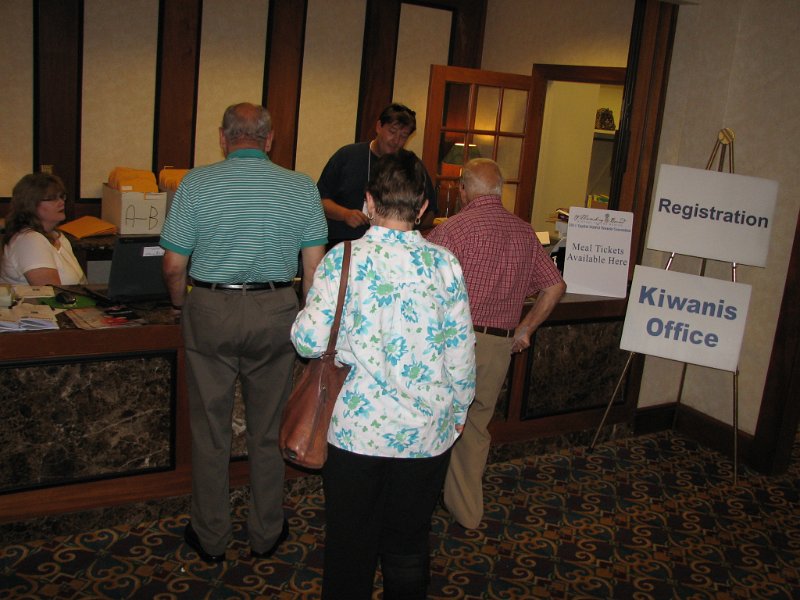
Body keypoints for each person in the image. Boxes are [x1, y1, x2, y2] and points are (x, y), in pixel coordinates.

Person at [291, 150, 475, 599]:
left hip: (358, 432)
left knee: (349, 545)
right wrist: (458, 413)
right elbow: (461, 354)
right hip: (426, 432)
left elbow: (308, 342)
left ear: (369, 201)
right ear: (424, 207)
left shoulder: (343, 259)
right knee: (408, 543)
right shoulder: (444, 264)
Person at [160, 102, 327, 563]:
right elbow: (313, 270)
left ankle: (211, 536)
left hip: (211, 307)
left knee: (210, 429)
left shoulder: (194, 183)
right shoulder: (301, 187)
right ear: (269, 139)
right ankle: (266, 532)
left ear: (222, 137)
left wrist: (181, 305)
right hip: (276, 309)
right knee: (268, 428)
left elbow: (174, 265)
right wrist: (307, 325)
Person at [427, 158, 566, 530]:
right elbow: (555, 286)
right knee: (475, 427)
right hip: (497, 346)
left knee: (433, 422)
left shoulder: (450, 231)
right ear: (499, 190)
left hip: (451, 343)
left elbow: (424, 293)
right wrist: (525, 329)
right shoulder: (525, 232)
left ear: (464, 189)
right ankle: (467, 512)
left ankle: (418, 504)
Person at [317, 103, 437, 247]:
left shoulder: (411, 165)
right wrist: (345, 214)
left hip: (396, 247)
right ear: (379, 126)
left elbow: (430, 211)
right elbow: (319, 201)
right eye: (392, 132)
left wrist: (408, 228)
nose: (396, 140)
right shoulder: (347, 156)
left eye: (403, 136)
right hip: (342, 243)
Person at [1, 173, 87, 286]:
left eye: (62, 196)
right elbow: (52, 294)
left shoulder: (58, 236)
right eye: (52, 198)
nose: (61, 202)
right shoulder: (30, 240)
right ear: (30, 204)